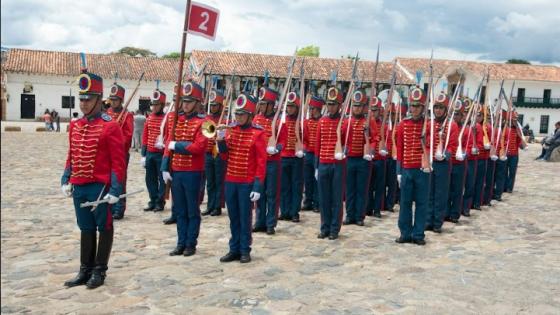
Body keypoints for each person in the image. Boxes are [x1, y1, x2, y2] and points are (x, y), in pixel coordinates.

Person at [61, 70, 125, 289]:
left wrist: (115, 189)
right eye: (81, 99)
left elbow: (118, 162)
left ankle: (99, 271)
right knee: (85, 227)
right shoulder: (76, 125)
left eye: (88, 99)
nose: (84, 104)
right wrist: (65, 177)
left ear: (99, 99)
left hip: (99, 186)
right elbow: (72, 153)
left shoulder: (110, 126)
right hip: (79, 186)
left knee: (104, 226)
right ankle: (84, 269)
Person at [217, 93, 267, 263]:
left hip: (246, 183)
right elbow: (224, 157)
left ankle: (245, 249)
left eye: (242, 114)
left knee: (245, 218)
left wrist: (257, 186)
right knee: (233, 217)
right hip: (231, 180)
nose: (238, 117)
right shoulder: (231, 130)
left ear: (250, 115)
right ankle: (234, 248)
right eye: (237, 114)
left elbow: (261, 162)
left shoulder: (258, 134)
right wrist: (221, 141)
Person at [161, 81, 208, 257]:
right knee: (179, 210)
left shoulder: (204, 122)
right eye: (184, 101)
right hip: (176, 171)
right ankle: (180, 243)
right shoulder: (176, 120)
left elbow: (199, 147)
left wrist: (177, 146)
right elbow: (167, 143)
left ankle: (190, 244)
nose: (185, 104)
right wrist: (165, 164)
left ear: (197, 103)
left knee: (192, 210)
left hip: (193, 173)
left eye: (189, 101)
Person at [395, 87, 429, 245]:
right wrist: (399, 171)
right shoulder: (403, 125)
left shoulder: (428, 125)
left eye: (417, 106)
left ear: (423, 107)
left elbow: (432, 146)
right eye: (412, 105)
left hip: (422, 170)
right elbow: (400, 149)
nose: (414, 109)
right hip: (407, 169)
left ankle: (418, 234)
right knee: (405, 202)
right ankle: (405, 232)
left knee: (422, 203)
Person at [252, 87, 287, 235]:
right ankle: (260, 221)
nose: (261, 106)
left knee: (272, 193)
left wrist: (277, 149)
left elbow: (283, 140)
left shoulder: (279, 121)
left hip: (273, 161)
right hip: (260, 162)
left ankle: (271, 223)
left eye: (264, 103)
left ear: (271, 105)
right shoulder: (256, 119)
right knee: (259, 192)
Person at [316, 87, 346, 240]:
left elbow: (348, 141)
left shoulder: (344, 122)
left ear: (340, 105)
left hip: (338, 164)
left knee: (336, 198)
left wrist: (344, 152)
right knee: (324, 197)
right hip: (323, 163)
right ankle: (324, 227)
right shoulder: (322, 121)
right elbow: (318, 145)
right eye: (329, 104)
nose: (331, 107)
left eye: (334, 104)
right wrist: (317, 166)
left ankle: (334, 228)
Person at [425, 92, 458, 233]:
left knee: (440, 193)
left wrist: (445, 154)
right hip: (430, 161)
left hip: (443, 163)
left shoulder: (452, 125)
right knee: (428, 192)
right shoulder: (429, 124)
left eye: (440, 108)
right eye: (436, 107)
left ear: (446, 110)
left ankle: (438, 221)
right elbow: (425, 142)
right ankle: (428, 220)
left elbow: (453, 145)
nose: (438, 110)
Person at [343, 90, 376, 226]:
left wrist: (370, 150)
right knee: (349, 189)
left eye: (359, 106)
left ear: (364, 107)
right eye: (355, 106)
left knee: (361, 189)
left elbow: (375, 138)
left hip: (363, 160)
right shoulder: (347, 121)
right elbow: (342, 137)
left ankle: (359, 216)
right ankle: (350, 215)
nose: (357, 108)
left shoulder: (369, 121)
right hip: (350, 159)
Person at [106, 82, 133, 219]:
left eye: (116, 100)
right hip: (106, 154)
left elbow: (128, 136)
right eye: (112, 99)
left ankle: (119, 208)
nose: (113, 102)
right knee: (108, 181)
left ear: (121, 100)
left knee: (120, 181)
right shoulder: (107, 114)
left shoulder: (127, 116)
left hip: (120, 154)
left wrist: (116, 142)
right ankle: (109, 207)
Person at [279, 92, 305, 224]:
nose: (289, 109)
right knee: (284, 186)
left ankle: (294, 212)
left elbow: (307, 139)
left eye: (292, 106)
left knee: (296, 186)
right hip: (284, 156)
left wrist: (302, 149)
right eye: (288, 106)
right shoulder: (282, 120)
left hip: (296, 158)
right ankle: (284, 211)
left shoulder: (301, 122)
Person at [201, 89, 226, 217]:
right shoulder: (208, 118)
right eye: (212, 105)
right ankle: (210, 206)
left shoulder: (225, 120)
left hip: (219, 154)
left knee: (218, 181)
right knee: (209, 182)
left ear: (221, 106)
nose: (214, 107)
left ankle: (217, 206)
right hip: (208, 153)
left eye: (216, 105)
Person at [141, 88, 166, 212]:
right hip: (150, 153)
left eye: (156, 105)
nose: (154, 107)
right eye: (153, 104)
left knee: (162, 179)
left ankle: (160, 202)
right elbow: (145, 136)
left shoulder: (166, 119)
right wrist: (143, 154)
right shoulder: (149, 118)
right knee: (149, 179)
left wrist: (165, 144)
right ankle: (152, 199)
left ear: (162, 105)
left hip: (161, 154)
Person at [301, 96, 324, 213]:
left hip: (318, 154)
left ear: (318, 109)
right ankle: (308, 201)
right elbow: (304, 138)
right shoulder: (307, 122)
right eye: (310, 108)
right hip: (308, 153)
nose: (311, 111)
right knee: (308, 179)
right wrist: (304, 148)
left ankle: (317, 202)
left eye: (313, 108)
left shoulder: (322, 121)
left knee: (317, 179)